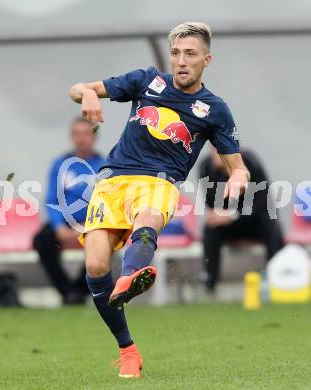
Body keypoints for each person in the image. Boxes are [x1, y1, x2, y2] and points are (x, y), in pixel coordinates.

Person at [69, 22, 250, 378]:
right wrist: (88, 94)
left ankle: (133, 274)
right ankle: (128, 351)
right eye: (176, 53)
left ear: (206, 60)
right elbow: (78, 89)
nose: (181, 61)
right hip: (113, 181)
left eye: (191, 54)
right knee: (94, 266)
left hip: (160, 182)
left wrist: (240, 176)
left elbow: (237, 164)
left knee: (149, 215)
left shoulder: (213, 109)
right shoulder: (146, 80)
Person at [33, 117, 105, 304]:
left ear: (94, 137)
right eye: (77, 134)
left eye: (86, 134)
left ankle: (81, 288)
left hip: (92, 223)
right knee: (41, 241)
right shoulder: (60, 164)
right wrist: (59, 228)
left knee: (107, 241)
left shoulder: (105, 166)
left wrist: (85, 226)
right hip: (64, 222)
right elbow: (51, 199)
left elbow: (106, 201)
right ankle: (68, 291)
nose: (81, 139)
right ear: (71, 137)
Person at [199, 146, 284, 292]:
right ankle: (210, 283)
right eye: (213, 149)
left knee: (271, 223)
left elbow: (263, 203)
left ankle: (276, 278)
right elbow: (211, 203)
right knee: (210, 227)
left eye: (220, 149)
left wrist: (232, 215)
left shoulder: (250, 163)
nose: (215, 154)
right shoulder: (207, 166)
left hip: (253, 221)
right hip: (230, 226)